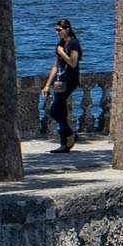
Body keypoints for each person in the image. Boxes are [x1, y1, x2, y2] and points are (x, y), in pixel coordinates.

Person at [39, 19, 83, 153]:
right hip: (60, 81)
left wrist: (62, 53)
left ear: (67, 29)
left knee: (54, 110)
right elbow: (56, 66)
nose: (57, 32)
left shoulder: (74, 44)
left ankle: (71, 134)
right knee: (61, 111)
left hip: (70, 81)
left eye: (59, 30)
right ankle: (64, 143)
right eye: (56, 30)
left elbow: (73, 63)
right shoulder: (60, 45)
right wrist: (47, 84)